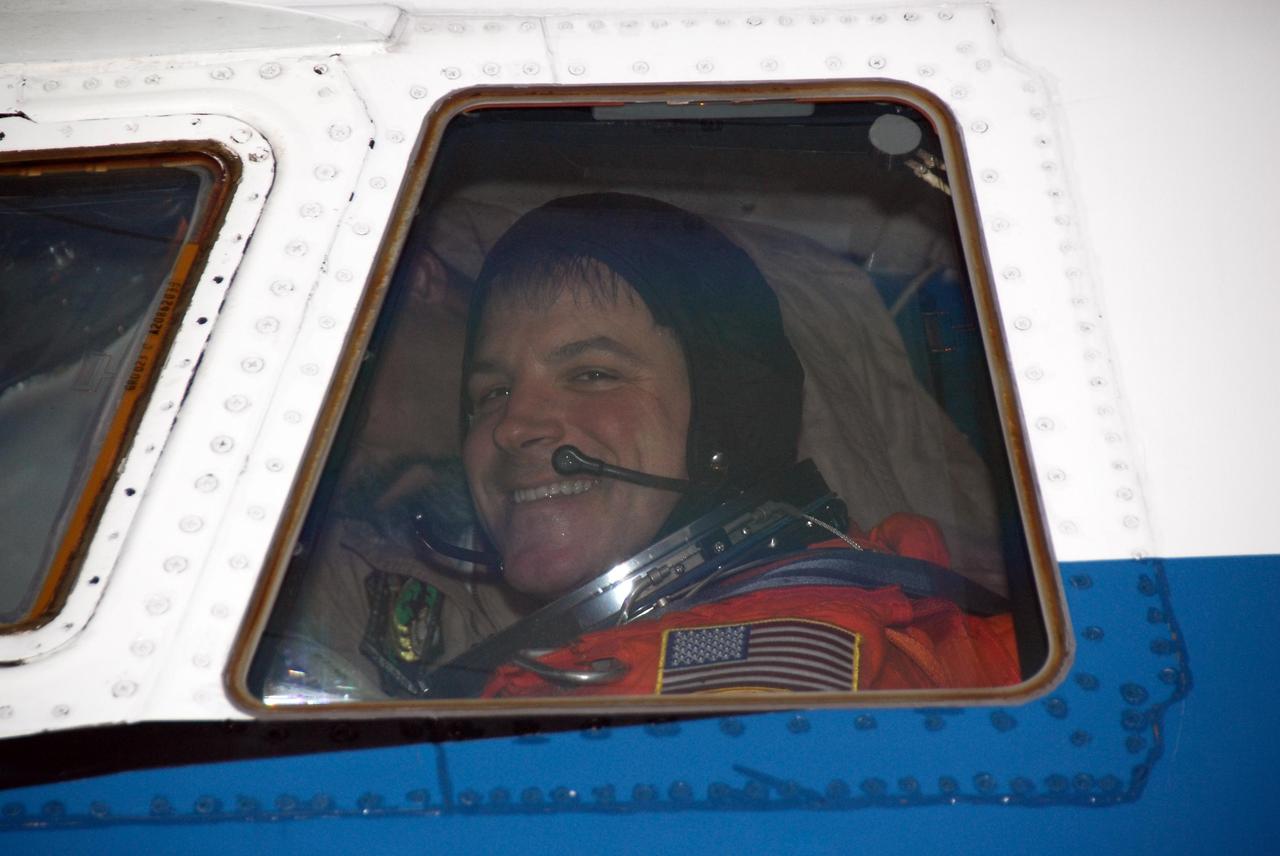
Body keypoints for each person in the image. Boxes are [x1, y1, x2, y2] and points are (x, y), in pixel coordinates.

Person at [445, 193, 1019, 698]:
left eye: (593, 375)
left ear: (723, 417)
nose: (511, 427)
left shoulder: (716, 689)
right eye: (492, 392)